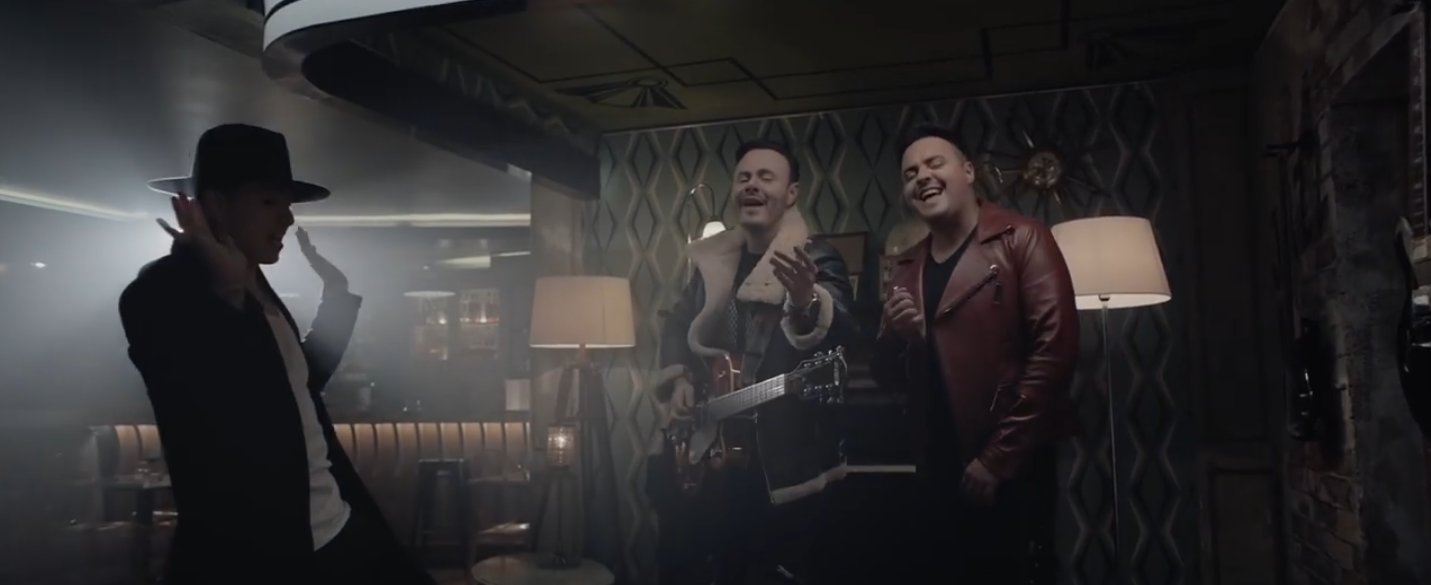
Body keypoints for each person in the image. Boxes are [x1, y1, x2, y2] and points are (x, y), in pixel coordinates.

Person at [118, 124, 434, 584]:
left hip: (332, 526)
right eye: (269, 202)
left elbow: (292, 387)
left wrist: (336, 298)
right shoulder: (159, 293)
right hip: (256, 552)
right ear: (216, 205)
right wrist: (228, 295)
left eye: (287, 205)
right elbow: (222, 406)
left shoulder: (256, 286)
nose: (286, 219)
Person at [644, 140, 860, 585]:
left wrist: (807, 301)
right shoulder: (713, 263)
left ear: (792, 193)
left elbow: (845, 329)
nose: (751, 185)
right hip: (714, 461)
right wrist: (681, 378)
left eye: (765, 177)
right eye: (743, 177)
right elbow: (677, 326)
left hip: (782, 463)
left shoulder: (817, 258)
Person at [873, 124, 1079, 584]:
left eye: (934, 163)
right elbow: (888, 377)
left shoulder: (1023, 238)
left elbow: (1055, 353)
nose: (922, 177)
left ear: (968, 171)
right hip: (936, 468)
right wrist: (901, 338)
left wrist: (997, 459)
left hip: (1013, 465)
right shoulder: (905, 266)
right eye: (910, 173)